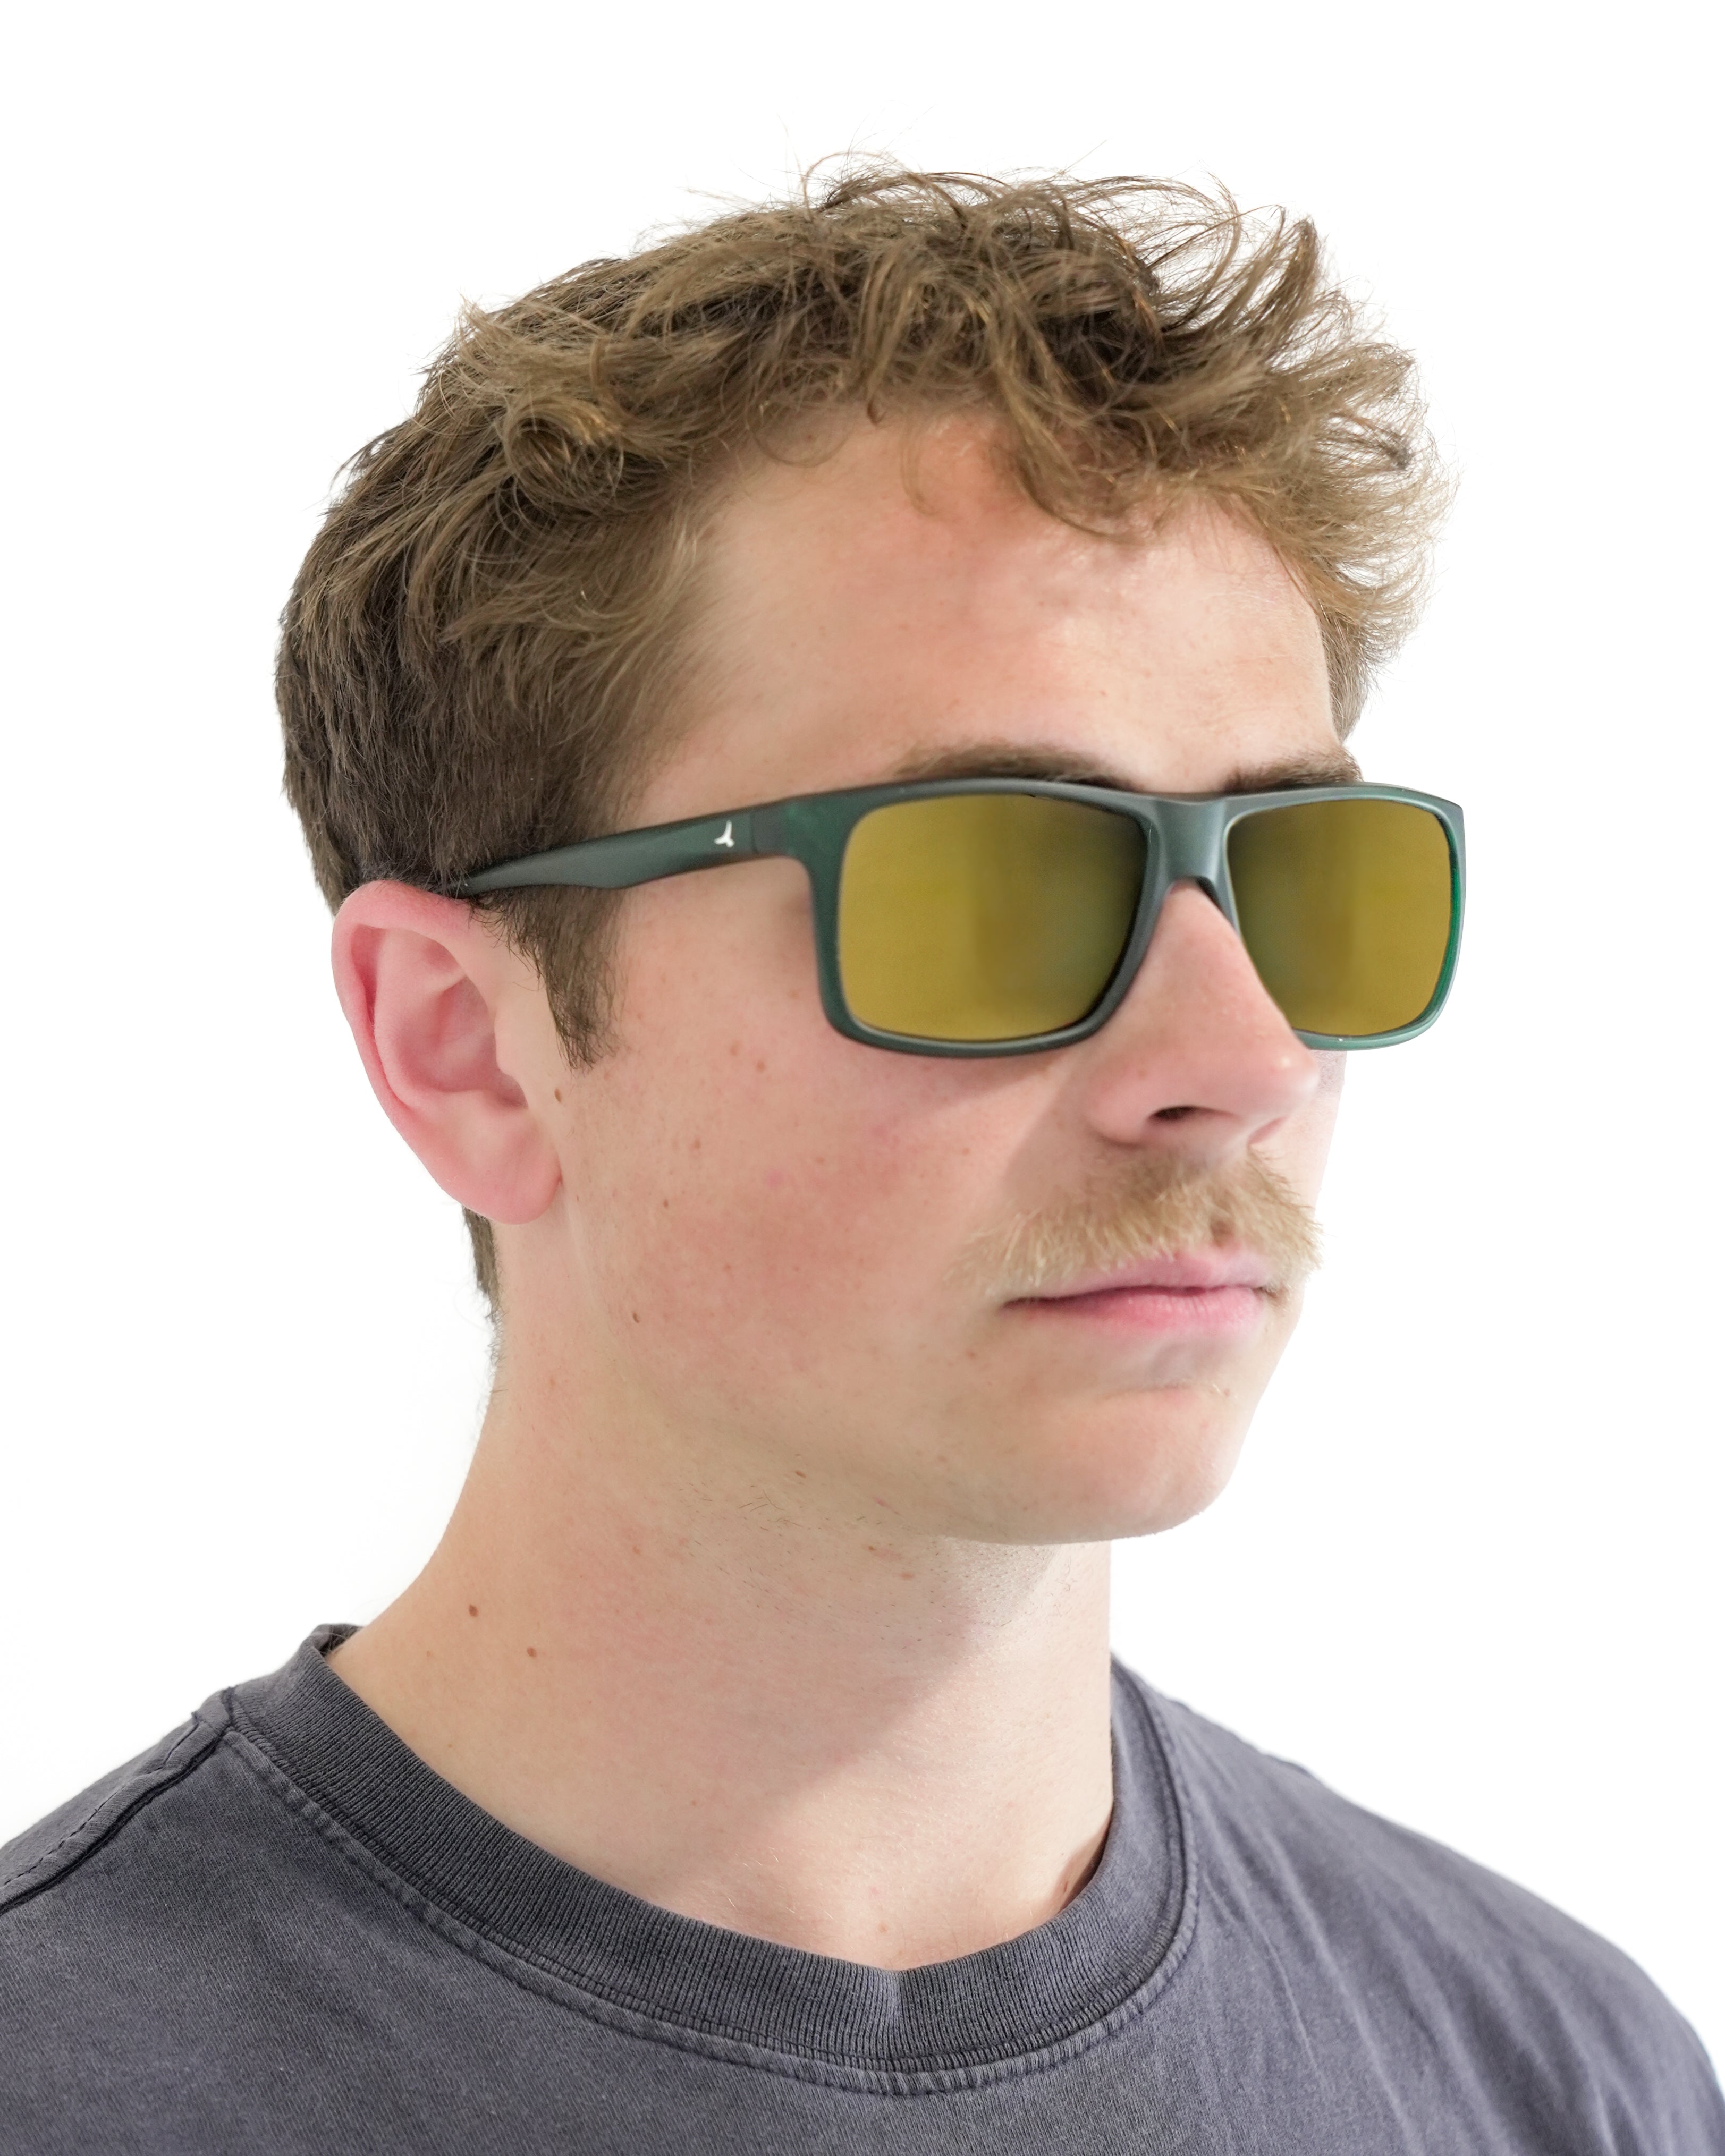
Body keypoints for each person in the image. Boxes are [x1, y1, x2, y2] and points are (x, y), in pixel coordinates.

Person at [2, 168, 1717, 2154]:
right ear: (463, 1045)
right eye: (992, 886)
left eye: (1310, 878)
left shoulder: (1561, 2086)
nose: (1244, 1060)